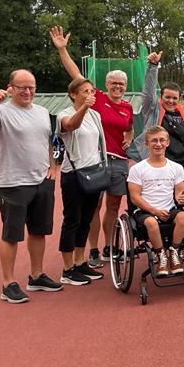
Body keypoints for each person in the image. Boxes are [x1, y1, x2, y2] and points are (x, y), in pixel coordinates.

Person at [51, 26, 134, 264]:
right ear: (106, 85)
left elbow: (128, 126)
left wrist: (129, 135)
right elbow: (76, 76)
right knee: (93, 206)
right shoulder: (94, 99)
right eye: (113, 83)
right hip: (95, 161)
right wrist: (63, 50)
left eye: (121, 83)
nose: (117, 86)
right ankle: (93, 249)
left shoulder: (128, 106)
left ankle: (109, 247)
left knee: (114, 204)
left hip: (118, 161)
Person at [0, 69, 63, 303]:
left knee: (39, 231)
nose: (27, 91)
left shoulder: (43, 112)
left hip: (41, 181)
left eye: (31, 87)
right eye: (22, 87)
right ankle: (8, 283)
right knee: (11, 234)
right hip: (13, 183)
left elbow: (48, 141)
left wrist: (52, 167)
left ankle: (36, 276)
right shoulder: (2, 111)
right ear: (11, 88)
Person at [56, 77, 108, 286]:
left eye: (91, 91)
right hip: (73, 174)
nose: (89, 95)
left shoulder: (95, 115)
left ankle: (79, 261)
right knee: (72, 219)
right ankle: (67, 269)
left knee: (87, 218)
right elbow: (70, 126)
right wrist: (84, 108)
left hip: (93, 172)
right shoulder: (65, 114)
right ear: (73, 94)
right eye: (84, 91)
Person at [127, 126, 184, 277]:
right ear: (146, 144)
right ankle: (161, 255)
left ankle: (174, 252)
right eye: (154, 141)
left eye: (162, 140)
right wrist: (154, 211)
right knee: (151, 222)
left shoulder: (177, 167)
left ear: (167, 143)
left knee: (183, 217)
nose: (158, 144)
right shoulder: (137, 169)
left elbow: (180, 193)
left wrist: (181, 197)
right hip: (145, 211)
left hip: (169, 209)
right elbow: (135, 197)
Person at [129, 51, 184, 189]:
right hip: (158, 167)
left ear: (179, 98)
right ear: (161, 97)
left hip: (182, 168)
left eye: (174, 98)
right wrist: (153, 66)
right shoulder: (153, 110)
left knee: (179, 204)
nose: (171, 101)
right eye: (167, 97)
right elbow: (148, 92)